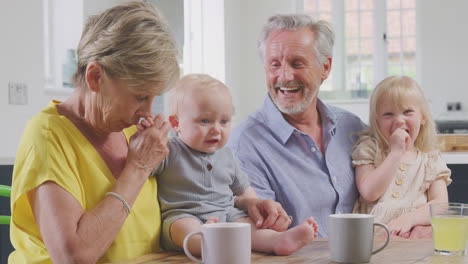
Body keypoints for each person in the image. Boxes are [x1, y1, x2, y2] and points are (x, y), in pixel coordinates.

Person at [9, 2, 180, 263]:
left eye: (153, 98)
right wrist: (137, 169)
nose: (146, 112)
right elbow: (74, 256)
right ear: (95, 77)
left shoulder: (134, 132)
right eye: (140, 96)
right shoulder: (46, 136)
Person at [147, 74, 318, 256]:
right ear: (176, 124)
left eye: (223, 121)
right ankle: (207, 244)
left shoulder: (228, 156)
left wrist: (260, 211)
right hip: (184, 214)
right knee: (183, 227)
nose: (216, 129)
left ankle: (277, 241)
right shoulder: (167, 150)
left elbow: (246, 193)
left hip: (227, 215)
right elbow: (143, 167)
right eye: (205, 121)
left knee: (247, 226)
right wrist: (148, 138)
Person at [227, 14, 367, 238]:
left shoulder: (352, 128)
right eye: (275, 64)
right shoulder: (244, 146)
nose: (285, 76)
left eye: (297, 63)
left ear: (325, 67)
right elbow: (265, 234)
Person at [352, 76, 452, 238]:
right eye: (388, 114)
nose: (399, 120)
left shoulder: (430, 159)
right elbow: (369, 192)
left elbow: (440, 204)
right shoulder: (369, 149)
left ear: (423, 117)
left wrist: (409, 220)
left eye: (408, 112)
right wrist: (396, 153)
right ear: (377, 122)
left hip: (415, 235)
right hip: (374, 235)